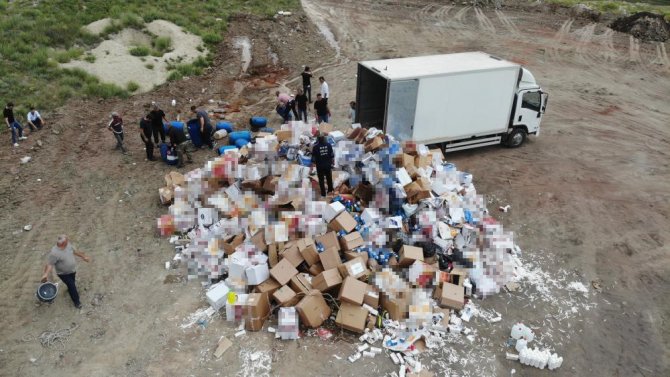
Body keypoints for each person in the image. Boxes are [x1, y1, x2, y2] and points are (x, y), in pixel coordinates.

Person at [41, 235, 91, 309]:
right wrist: (45, 274)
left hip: (72, 270)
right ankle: (77, 302)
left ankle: (70, 288)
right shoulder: (54, 253)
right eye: (67, 241)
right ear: (62, 243)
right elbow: (49, 264)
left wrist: (84, 257)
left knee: (72, 282)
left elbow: (75, 251)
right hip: (63, 274)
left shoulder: (68, 245)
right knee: (72, 286)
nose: (68, 242)